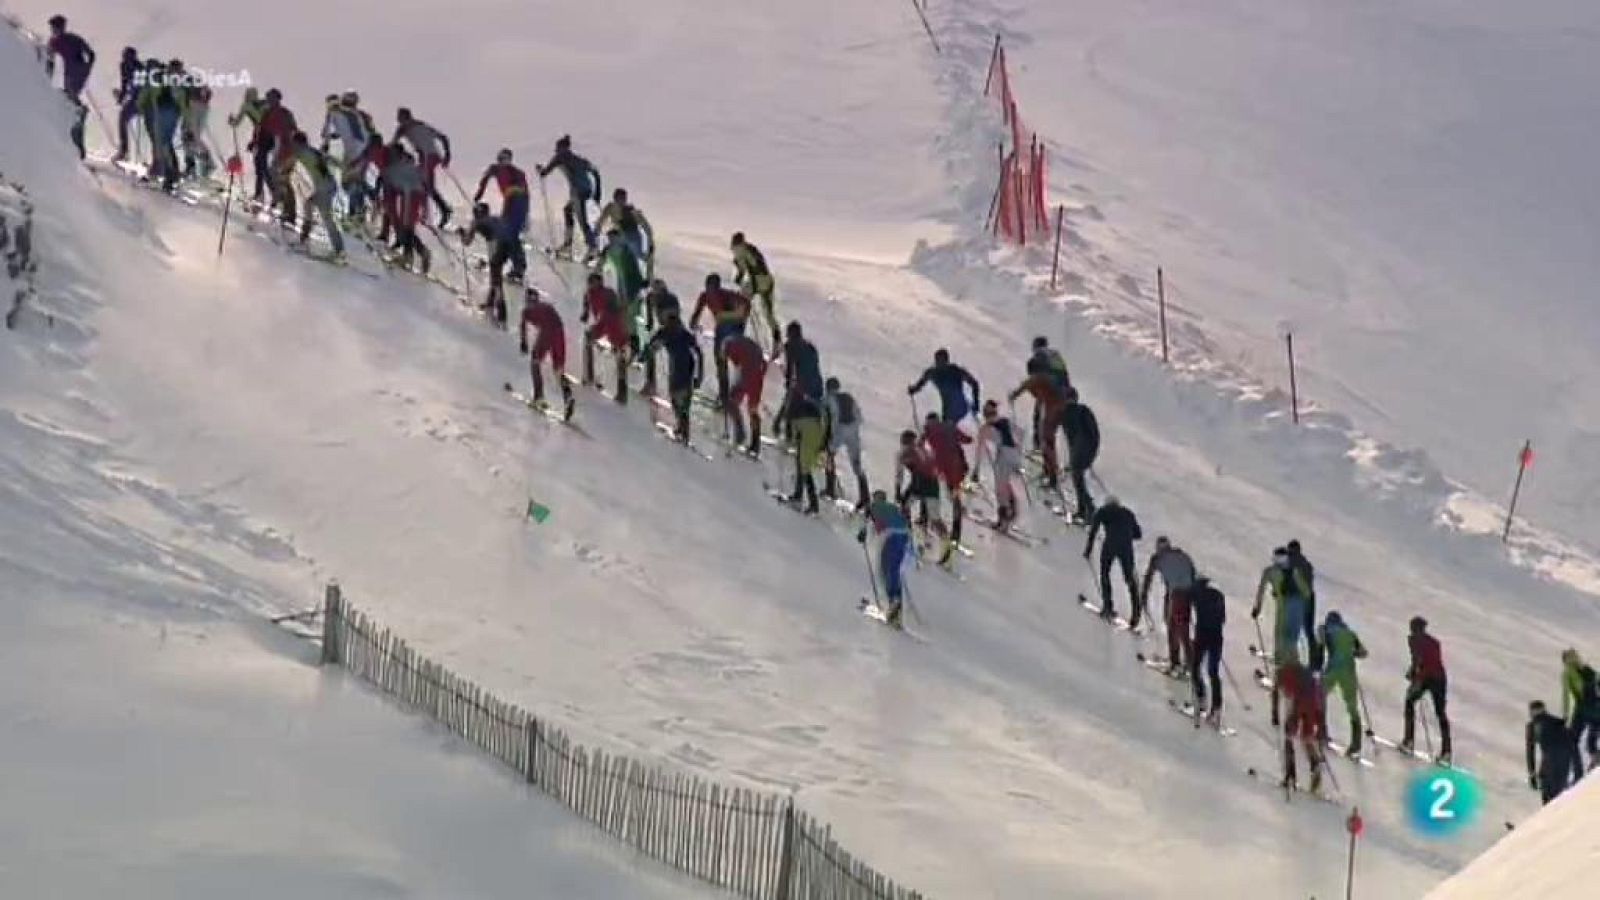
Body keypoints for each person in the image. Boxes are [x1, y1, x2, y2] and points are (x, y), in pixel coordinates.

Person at [1252, 547, 1312, 725]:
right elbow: (1307, 593)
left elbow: (1261, 590)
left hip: (1284, 609)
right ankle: (1296, 676)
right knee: (1291, 642)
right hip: (1298, 609)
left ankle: (1282, 678)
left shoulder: (1270, 572)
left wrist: (1257, 608)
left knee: (1280, 640)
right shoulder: (1293, 571)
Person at [688, 273, 751, 407]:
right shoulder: (707, 296)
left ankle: (726, 396)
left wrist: (738, 317)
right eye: (710, 288)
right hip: (726, 326)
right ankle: (725, 394)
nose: (712, 291)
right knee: (722, 360)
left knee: (723, 359)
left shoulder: (724, 295)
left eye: (714, 288)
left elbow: (745, 304)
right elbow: (696, 313)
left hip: (730, 326)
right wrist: (693, 323)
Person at [641, 310, 702, 441]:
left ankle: (683, 426)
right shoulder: (671, 332)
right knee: (679, 395)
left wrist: (699, 375)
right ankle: (682, 425)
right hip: (681, 364)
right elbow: (653, 345)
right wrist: (645, 355)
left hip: (684, 364)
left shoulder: (677, 333)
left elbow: (653, 346)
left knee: (679, 394)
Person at [537, 135, 600, 260]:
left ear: (561, 147)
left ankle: (593, 247)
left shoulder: (560, 156)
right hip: (587, 189)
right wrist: (597, 192)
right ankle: (568, 243)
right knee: (568, 210)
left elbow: (545, 171)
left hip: (578, 191)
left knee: (582, 219)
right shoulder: (579, 158)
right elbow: (595, 172)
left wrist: (540, 170)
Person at [281, 131, 344, 256]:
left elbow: (289, 163)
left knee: (327, 218)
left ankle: (339, 251)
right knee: (308, 204)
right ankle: (304, 240)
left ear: (299, 143)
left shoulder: (301, 152)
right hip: (327, 186)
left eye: (294, 143)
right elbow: (328, 159)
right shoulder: (312, 151)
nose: (293, 146)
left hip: (324, 189)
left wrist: (283, 172)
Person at [922, 412, 973, 565]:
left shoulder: (929, 430)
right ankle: (956, 532)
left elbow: (920, 443)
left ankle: (926, 518)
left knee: (931, 490)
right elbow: (967, 440)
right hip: (957, 467)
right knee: (954, 495)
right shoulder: (949, 427)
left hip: (943, 468)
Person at [472, 148, 529, 282]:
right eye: (500, 159)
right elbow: (485, 179)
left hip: (518, 204)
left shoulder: (517, 173)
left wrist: (523, 212)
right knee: (506, 233)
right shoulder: (494, 169)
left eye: (505, 159)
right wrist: (479, 193)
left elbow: (522, 191)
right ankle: (506, 262)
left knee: (511, 234)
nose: (502, 162)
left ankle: (519, 266)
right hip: (510, 201)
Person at [1401, 616, 1453, 764]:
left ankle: (1409, 741)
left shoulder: (1416, 641)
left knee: (1412, 703)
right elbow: (1417, 661)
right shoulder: (1432, 642)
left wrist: (1416, 679)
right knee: (1439, 712)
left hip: (1432, 677)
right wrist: (1413, 673)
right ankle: (1446, 751)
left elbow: (1423, 662)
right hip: (1437, 677)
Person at [858, 491, 913, 628]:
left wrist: (862, 534)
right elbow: (905, 521)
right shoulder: (893, 507)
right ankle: (897, 608)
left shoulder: (873, 506)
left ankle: (892, 601)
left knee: (884, 570)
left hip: (890, 536)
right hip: (904, 536)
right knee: (894, 569)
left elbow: (865, 524)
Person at [1083, 496, 1142, 622]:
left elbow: (1093, 531)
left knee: (1105, 574)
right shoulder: (1127, 512)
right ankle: (1136, 611)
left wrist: (1088, 550)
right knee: (1129, 578)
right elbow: (1138, 534)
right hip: (1126, 547)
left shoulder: (1102, 511)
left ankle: (1108, 606)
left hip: (1110, 545)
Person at [1141, 537, 1196, 671]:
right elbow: (1192, 572)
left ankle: (1181, 662)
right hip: (1187, 592)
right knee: (1181, 626)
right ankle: (1186, 660)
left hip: (1178, 594)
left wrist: (1143, 596)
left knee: (1174, 628)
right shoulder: (1182, 555)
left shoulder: (1157, 559)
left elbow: (1149, 577)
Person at [1008, 366, 1067, 492]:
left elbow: (1024, 387)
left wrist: (1013, 396)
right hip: (1057, 407)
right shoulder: (1047, 380)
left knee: (1047, 441)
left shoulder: (1037, 379)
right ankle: (1048, 469)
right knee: (1046, 440)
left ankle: (1052, 475)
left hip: (1055, 408)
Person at [518, 287, 574, 419]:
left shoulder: (526, 311)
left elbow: (522, 327)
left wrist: (523, 343)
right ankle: (568, 396)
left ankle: (539, 396)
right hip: (559, 332)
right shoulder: (547, 307)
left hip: (547, 332)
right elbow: (558, 322)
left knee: (535, 362)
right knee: (558, 370)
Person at [393, 107, 453, 227]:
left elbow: (443, 137)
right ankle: (439, 210)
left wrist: (447, 155)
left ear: (406, 117)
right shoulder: (414, 126)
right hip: (429, 157)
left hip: (428, 157)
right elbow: (443, 137)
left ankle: (433, 213)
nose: (399, 121)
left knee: (424, 184)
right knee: (425, 185)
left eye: (400, 118)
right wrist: (446, 155)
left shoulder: (410, 127)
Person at [1319, 611, 1368, 756]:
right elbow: (1363, 653)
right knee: (1352, 707)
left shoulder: (1326, 630)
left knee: (1320, 697)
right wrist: (1350, 653)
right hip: (1349, 671)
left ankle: (1322, 731)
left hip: (1333, 669)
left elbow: (1321, 642)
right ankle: (1356, 743)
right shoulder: (1351, 634)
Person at [322, 91, 377, 219]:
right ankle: (360, 210)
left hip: (353, 151)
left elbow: (325, 132)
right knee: (356, 181)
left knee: (349, 182)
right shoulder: (361, 115)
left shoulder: (334, 111)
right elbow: (365, 133)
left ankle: (355, 212)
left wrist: (325, 145)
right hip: (365, 151)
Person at [377, 142, 430, 273]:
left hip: (411, 195)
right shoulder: (401, 164)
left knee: (407, 226)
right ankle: (411, 255)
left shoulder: (402, 166)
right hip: (411, 194)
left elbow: (410, 184)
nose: (391, 155)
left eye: (393, 153)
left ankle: (418, 253)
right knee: (406, 227)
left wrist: (422, 209)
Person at [249, 88, 299, 223]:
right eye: (268, 98)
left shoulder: (282, 113)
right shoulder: (269, 112)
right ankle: (280, 205)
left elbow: (291, 131)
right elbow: (261, 129)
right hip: (280, 149)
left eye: (272, 98)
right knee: (272, 174)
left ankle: (287, 210)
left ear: (277, 99)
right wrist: (254, 142)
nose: (269, 101)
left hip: (286, 150)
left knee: (280, 178)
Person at [1278, 661, 1327, 793]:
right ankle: (1314, 763)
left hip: (1299, 702)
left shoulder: (1284, 671)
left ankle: (1290, 772)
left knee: (1289, 735)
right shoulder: (1306, 670)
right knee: (1307, 737)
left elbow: (1286, 694)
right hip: (1313, 701)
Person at [974, 399, 1024, 532]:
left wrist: (976, 470)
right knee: (1005, 484)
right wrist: (1019, 451)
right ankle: (1011, 508)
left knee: (1000, 490)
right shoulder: (1005, 421)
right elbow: (1021, 433)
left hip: (1003, 457)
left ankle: (1004, 521)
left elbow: (980, 449)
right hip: (1014, 455)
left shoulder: (985, 428)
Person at [581, 271, 630, 403]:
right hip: (602, 322)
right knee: (588, 338)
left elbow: (617, 308)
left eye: (594, 283)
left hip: (613, 322)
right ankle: (589, 374)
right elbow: (586, 311)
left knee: (620, 354)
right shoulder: (589, 294)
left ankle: (622, 390)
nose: (591, 285)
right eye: (590, 283)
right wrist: (585, 314)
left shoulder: (608, 293)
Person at [459, 203, 512, 324]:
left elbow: (467, 242)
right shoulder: (495, 218)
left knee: (496, 280)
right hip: (509, 243)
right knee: (496, 274)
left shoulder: (476, 222)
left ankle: (502, 315)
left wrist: (462, 233)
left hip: (496, 243)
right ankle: (490, 303)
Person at [823, 378, 870, 511]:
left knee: (829, 455)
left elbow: (829, 418)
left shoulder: (828, 399)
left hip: (839, 431)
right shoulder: (849, 397)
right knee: (857, 464)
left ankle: (830, 488)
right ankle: (865, 497)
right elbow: (859, 417)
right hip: (853, 432)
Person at [730, 232, 781, 350]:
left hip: (758, 281)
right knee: (768, 313)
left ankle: (737, 328)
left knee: (743, 300)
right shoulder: (750, 249)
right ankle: (777, 338)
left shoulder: (742, 251)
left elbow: (748, 268)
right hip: (767, 280)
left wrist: (740, 278)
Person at [600, 227, 648, 353]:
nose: (611, 241)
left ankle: (633, 346)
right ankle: (624, 344)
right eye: (610, 239)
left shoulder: (626, 253)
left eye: (613, 238)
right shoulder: (610, 250)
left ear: (620, 238)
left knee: (630, 317)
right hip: (623, 285)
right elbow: (602, 264)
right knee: (624, 317)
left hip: (632, 286)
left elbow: (632, 272)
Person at [908, 348, 982, 426]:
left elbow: (974, 384)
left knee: (951, 428)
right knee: (947, 429)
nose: (939, 364)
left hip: (961, 409)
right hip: (948, 410)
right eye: (937, 361)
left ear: (947, 361)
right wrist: (913, 390)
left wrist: (976, 404)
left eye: (942, 361)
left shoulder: (955, 370)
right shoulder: (932, 373)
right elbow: (920, 384)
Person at [776, 321, 823, 439]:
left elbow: (791, 367)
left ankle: (789, 437)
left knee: (790, 411)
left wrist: (788, 382)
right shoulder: (811, 346)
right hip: (816, 384)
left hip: (801, 385)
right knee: (807, 411)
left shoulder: (790, 346)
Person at [722, 332, 767, 455]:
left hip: (747, 376)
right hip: (757, 376)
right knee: (752, 409)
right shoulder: (743, 342)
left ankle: (740, 432)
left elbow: (737, 365)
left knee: (731, 402)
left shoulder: (730, 346)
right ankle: (755, 442)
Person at [1189, 577, 1226, 724]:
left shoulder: (1196, 595)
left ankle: (1201, 697)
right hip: (1216, 636)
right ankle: (1216, 707)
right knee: (1213, 672)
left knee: (1195, 667)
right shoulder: (1218, 595)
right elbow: (1223, 618)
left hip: (1202, 636)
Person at [1559, 649, 1599, 778]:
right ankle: (1595, 759)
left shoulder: (1568, 673)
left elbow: (1566, 695)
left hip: (1583, 709)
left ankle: (1578, 772)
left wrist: (1565, 715)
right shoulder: (1588, 669)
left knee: (1572, 740)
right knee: (1591, 741)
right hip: (1596, 710)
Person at [1062, 388, 1100, 523]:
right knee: (1078, 481)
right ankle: (1085, 510)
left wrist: (1077, 455)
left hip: (1081, 451)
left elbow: (1072, 437)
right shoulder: (1083, 411)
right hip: (1086, 450)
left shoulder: (1070, 413)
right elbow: (1094, 434)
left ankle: (1088, 510)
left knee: (1078, 481)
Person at [1026, 336, 1070, 453]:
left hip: (1049, 394)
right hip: (1065, 393)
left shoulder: (1037, 357)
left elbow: (1035, 380)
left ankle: (1038, 447)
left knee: (1038, 418)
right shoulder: (1056, 356)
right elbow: (1065, 375)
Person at [1527, 700, 1575, 805]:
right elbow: (1570, 741)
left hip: (1550, 763)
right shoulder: (1556, 722)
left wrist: (1532, 774)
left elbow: (1530, 752)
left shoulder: (1533, 726)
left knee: (1548, 796)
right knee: (1558, 796)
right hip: (1564, 762)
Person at [786, 394, 827, 514]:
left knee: (804, 470)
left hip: (807, 440)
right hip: (816, 438)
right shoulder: (809, 406)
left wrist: (792, 442)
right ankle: (804, 498)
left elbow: (794, 433)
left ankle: (806, 501)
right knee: (805, 469)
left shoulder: (794, 413)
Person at [227, 86, 269, 203]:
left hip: (260, 135)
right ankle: (261, 194)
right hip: (267, 136)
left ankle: (260, 194)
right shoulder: (265, 104)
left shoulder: (247, 106)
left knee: (260, 165)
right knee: (262, 165)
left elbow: (237, 122)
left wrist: (232, 121)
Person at [596, 188, 654, 269]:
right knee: (608, 249)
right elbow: (600, 222)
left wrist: (650, 244)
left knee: (641, 257)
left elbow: (647, 228)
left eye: (623, 199)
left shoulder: (631, 211)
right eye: (620, 199)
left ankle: (650, 274)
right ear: (615, 198)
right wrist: (597, 234)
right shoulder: (610, 208)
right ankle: (598, 269)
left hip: (633, 237)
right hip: (622, 236)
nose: (622, 202)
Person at [895, 429, 942, 528]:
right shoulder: (924, 449)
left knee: (905, 504)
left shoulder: (903, 453)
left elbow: (899, 475)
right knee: (935, 518)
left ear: (902, 441)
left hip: (920, 480)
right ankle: (925, 520)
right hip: (933, 482)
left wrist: (897, 491)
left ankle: (906, 527)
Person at [640, 279, 680, 395]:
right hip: (664, 330)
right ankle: (650, 383)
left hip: (673, 329)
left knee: (675, 357)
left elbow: (674, 318)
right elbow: (650, 321)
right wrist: (649, 327)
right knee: (649, 352)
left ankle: (676, 386)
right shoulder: (650, 298)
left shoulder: (671, 299)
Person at [1286, 539, 1321, 670]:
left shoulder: (1293, 564)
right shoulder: (1306, 563)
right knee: (1308, 630)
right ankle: (1315, 661)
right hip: (1310, 598)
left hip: (1299, 600)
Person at [45, 15, 95, 101]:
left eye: (53, 27)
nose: (52, 30)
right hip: (74, 75)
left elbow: (49, 58)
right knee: (70, 98)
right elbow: (91, 55)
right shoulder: (73, 38)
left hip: (69, 76)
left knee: (68, 98)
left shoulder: (55, 42)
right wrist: (86, 69)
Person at [111, 47, 141, 163]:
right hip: (135, 99)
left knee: (123, 119)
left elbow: (135, 87)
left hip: (140, 99)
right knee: (123, 119)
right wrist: (122, 97)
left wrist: (123, 97)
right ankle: (124, 150)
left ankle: (124, 151)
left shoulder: (138, 69)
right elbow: (125, 84)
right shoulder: (124, 66)